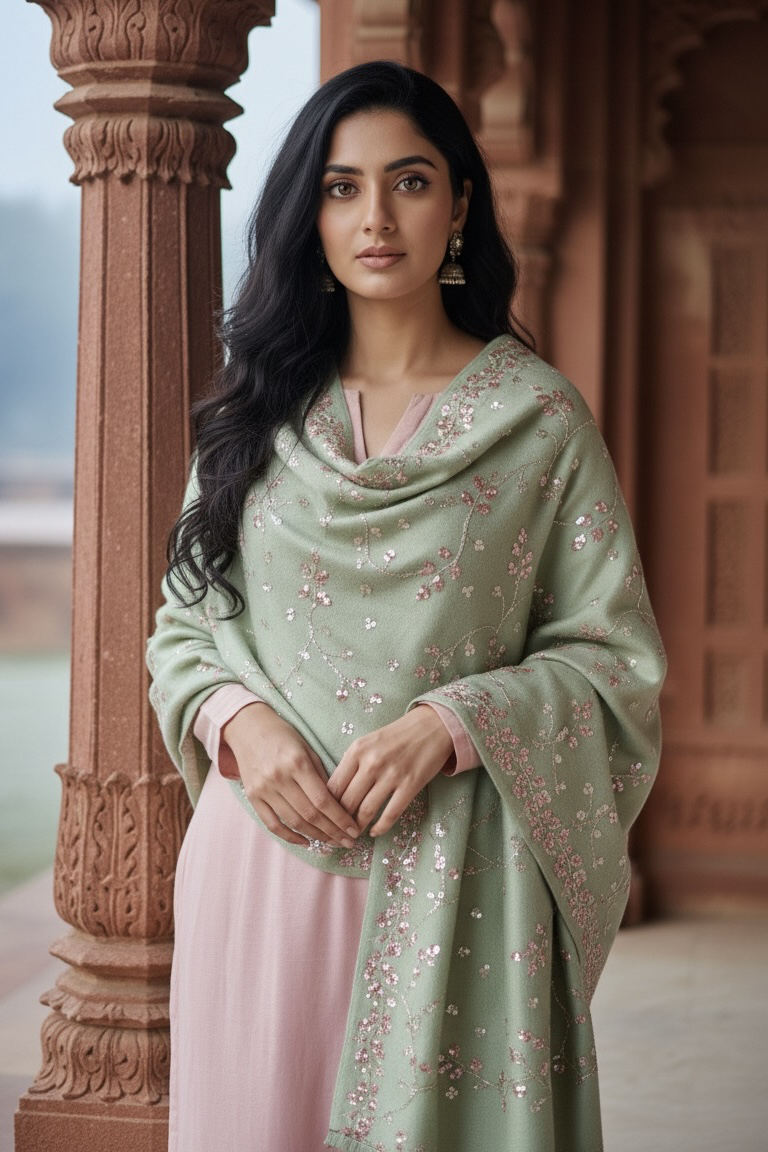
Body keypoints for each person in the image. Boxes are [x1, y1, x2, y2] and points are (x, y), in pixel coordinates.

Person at [147, 60, 665, 1152]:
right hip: (263, 862)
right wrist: (241, 723)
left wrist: (454, 723)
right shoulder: (255, 415)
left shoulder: (537, 423)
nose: (375, 217)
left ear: (462, 203)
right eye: (340, 188)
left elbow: (613, 662)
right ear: (309, 214)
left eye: (410, 181)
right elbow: (184, 629)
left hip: (460, 885)